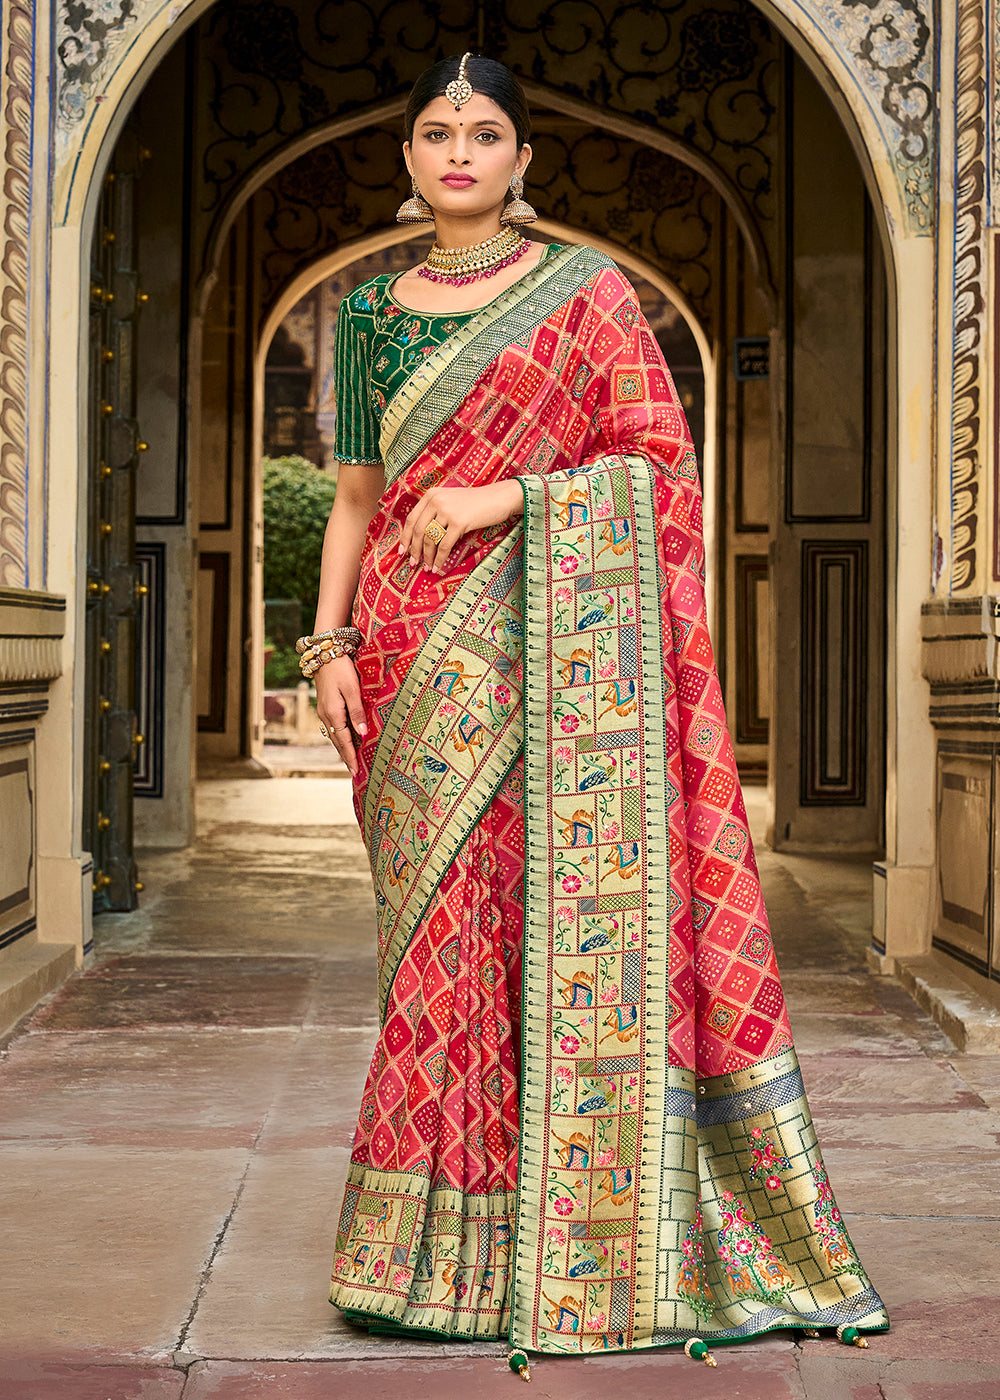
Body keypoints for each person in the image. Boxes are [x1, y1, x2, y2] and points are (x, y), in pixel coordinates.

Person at [309, 52, 887, 1373]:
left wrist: (507, 500)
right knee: (430, 944)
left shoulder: (592, 297)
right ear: (407, 158)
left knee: (537, 930)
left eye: (488, 131)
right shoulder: (364, 318)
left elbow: (657, 477)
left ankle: (557, 1240)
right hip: (407, 658)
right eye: (438, 131)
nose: (460, 149)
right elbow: (353, 499)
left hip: (552, 650)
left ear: (525, 162)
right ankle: (420, 1254)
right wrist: (327, 642)